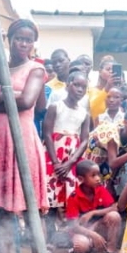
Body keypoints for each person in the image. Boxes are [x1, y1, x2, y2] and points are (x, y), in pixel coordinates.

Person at [0, 19, 49, 253]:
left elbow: (26, 102)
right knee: (1, 211)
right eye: (18, 38)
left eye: (28, 39)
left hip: (22, 137)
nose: (23, 44)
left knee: (33, 212)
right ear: (9, 39)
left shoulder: (36, 69)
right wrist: (5, 96)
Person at [44, 69, 90, 217]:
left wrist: (70, 163)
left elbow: (84, 141)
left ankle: (66, 234)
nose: (80, 89)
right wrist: (56, 163)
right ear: (67, 85)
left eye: (84, 87)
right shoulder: (56, 106)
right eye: (77, 85)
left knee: (70, 194)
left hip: (73, 157)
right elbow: (47, 134)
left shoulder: (84, 113)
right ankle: (48, 234)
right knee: (50, 192)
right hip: (53, 156)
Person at [65, 160, 122, 253]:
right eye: (93, 175)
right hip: (84, 232)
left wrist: (93, 213)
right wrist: (93, 235)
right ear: (81, 179)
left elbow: (115, 207)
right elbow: (73, 226)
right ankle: (77, 252)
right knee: (80, 245)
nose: (98, 178)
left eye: (98, 174)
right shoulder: (74, 197)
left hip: (99, 228)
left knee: (114, 215)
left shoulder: (100, 189)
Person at [84, 105, 127, 198]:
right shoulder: (113, 132)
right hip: (92, 159)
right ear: (126, 122)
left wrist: (110, 184)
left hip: (104, 163)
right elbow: (113, 163)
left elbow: (119, 159)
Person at [88, 58, 119, 122]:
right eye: (108, 69)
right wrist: (107, 88)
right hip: (97, 128)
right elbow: (92, 107)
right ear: (100, 71)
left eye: (113, 70)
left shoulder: (119, 92)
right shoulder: (91, 90)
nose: (111, 71)